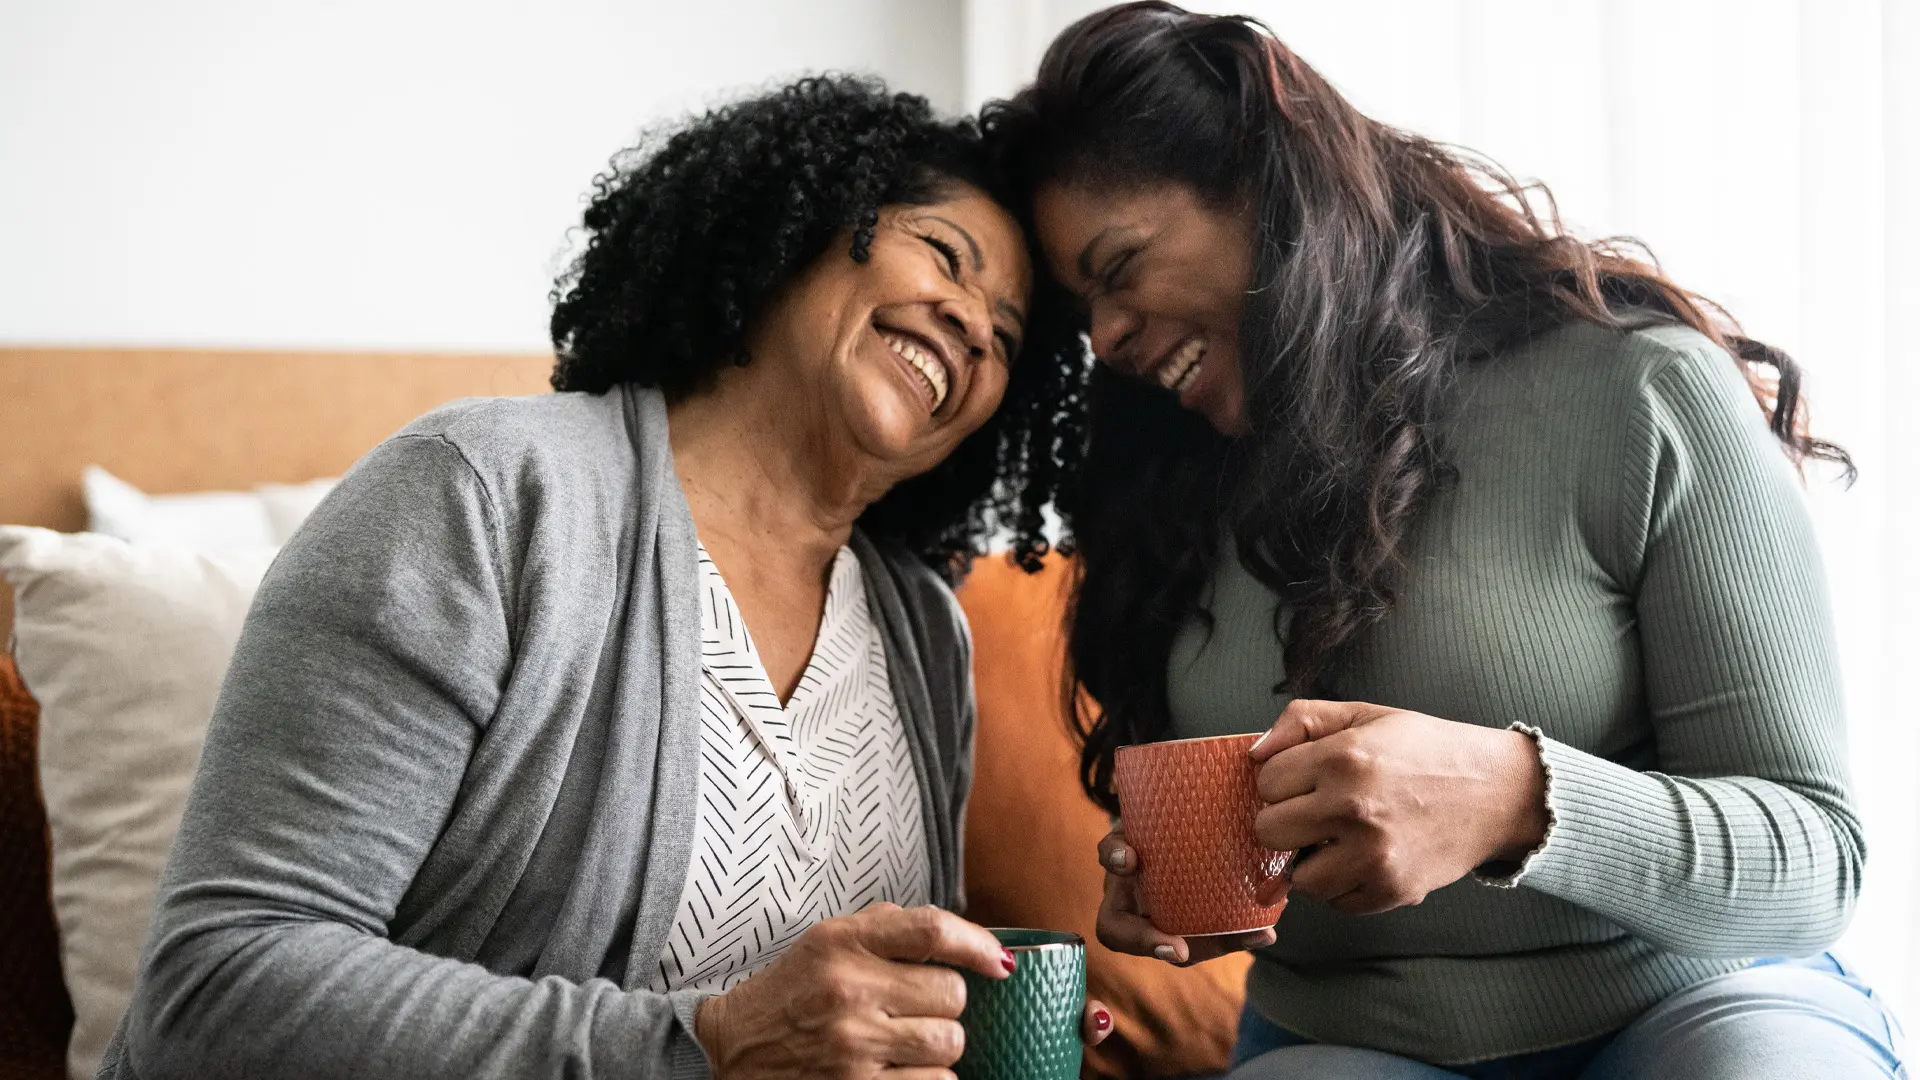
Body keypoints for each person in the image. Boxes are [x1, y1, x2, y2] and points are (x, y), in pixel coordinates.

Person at [100, 76, 1108, 1079]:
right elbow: (218, 988)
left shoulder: (923, 631)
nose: (973, 324)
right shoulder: (482, 494)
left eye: (1007, 341)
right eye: (944, 255)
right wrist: (706, 1045)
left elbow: (854, 1025)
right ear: (796, 226)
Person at [983, 4, 1905, 1078]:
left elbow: (1815, 854)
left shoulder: (1638, 393)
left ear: (1263, 172)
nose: (1106, 340)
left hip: (1695, 1007)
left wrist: (1514, 798)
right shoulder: (1166, 491)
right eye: (1080, 310)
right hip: (1351, 1045)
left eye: (1122, 264)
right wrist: (1190, 894)